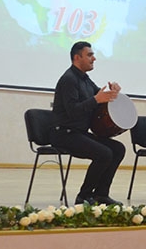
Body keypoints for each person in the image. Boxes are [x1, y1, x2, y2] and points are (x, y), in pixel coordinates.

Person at [50, 41, 126, 205]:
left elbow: (99, 96)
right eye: (90, 55)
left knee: (118, 149)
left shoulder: (85, 79)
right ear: (77, 58)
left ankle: (101, 194)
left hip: (79, 133)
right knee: (104, 154)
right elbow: (73, 110)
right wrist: (96, 99)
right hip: (64, 134)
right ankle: (84, 196)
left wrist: (112, 93)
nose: (94, 58)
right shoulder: (69, 79)